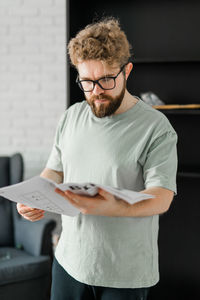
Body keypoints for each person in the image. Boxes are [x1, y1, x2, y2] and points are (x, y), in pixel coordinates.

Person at [17, 17, 177, 300]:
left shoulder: (156, 127)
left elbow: (161, 197)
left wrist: (107, 206)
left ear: (127, 71)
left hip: (125, 274)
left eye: (106, 79)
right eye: (87, 82)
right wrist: (34, 198)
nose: (96, 92)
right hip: (68, 262)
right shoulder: (71, 116)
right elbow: (54, 172)